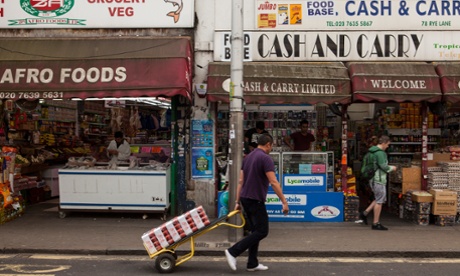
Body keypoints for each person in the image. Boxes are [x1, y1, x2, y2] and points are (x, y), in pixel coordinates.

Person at [225, 134, 289, 272]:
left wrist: (237, 201)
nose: (271, 148)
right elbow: (273, 182)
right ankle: (233, 251)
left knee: (255, 231)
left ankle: (252, 263)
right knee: (262, 231)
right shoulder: (266, 159)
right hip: (255, 199)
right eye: (271, 146)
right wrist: (284, 201)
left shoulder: (247, 157)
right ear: (268, 144)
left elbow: (240, 181)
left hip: (245, 198)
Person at [359, 135, 397, 231]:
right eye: (388, 144)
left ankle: (365, 213)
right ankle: (376, 223)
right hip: (378, 179)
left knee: (378, 198)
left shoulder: (372, 151)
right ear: (383, 143)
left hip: (373, 178)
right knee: (380, 201)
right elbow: (384, 166)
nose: (388, 146)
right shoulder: (380, 153)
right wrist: (392, 168)